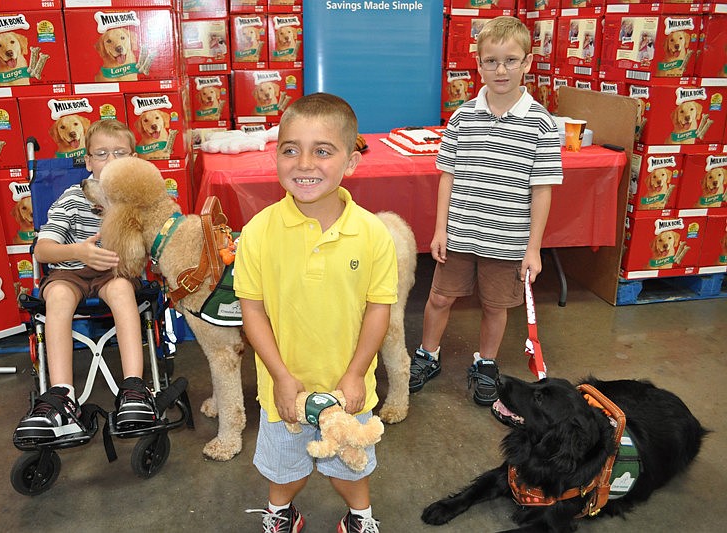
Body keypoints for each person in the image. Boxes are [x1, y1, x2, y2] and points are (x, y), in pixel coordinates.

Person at [234, 93, 398, 533]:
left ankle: (359, 517)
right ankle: (281, 513)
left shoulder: (372, 234)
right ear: (277, 156)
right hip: (282, 389)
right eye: (291, 149)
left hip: (349, 389)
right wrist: (282, 377)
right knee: (283, 468)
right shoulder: (257, 232)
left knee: (352, 466)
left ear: (352, 161)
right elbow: (252, 311)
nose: (304, 164)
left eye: (322, 151)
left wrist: (356, 373)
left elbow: (378, 311)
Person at [408, 16, 563, 405]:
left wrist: (533, 248)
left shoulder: (542, 124)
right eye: (491, 61)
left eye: (511, 60)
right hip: (460, 233)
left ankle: (487, 362)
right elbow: (447, 176)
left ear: (528, 62)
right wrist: (440, 229)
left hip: (508, 240)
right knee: (440, 298)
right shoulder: (461, 118)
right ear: (478, 64)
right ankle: (428, 353)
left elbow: (542, 191)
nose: (501, 70)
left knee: (496, 306)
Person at [14, 119, 156, 442]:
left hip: (114, 272)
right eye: (102, 154)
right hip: (71, 271)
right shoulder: (72, 198)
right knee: (58, 297)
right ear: (88, 161)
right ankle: (62, 395)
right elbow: (42, 250)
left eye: (120, 153)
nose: (111, 161)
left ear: (133, 159)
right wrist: (79, 251)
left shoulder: (138, 202)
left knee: (122, 290)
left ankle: (134, 386)